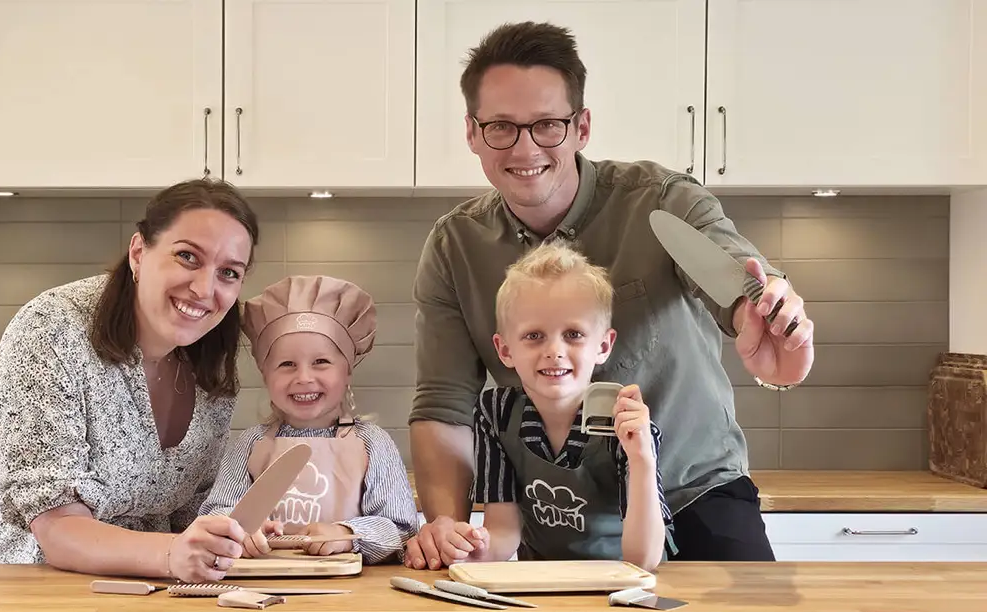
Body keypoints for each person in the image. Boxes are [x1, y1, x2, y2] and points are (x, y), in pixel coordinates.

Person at [405, 21, 816, 569]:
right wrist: (448, 528)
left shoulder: (663, 202)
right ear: (473, 133)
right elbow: (443, 406)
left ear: (581, 127)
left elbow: (737, 281)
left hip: (695, 492)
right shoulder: (454, 246)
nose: (525, 147)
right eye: (501, 126)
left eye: (548, 124)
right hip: (559, 518)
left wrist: (766, 315)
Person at [0, 178, 264, 584]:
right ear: (139, 252)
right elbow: (57, 528)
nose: (205, 288)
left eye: (229, 272)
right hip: (5, 580)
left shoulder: (212, 363)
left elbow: (187, 513)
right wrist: (173, 552)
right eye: (188, 257)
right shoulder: (53, 328)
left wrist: (225, 536)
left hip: (137, 585)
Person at [443, 240, 671, 572]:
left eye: (574, 334)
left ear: (603, 345)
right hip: (540, 584)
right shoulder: (495, 414)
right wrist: (473, 549)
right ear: (504, 350)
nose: (555, 350)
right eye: (534, 335)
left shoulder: (626, 425)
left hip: (620, 590)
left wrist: (642, 458)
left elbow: (643, 560)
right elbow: (504, 531)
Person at [199, 275, 418, 565]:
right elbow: (214, 513)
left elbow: (400, 528)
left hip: (350, 591)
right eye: (286, 364)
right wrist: (238, 529)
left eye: (321, 362)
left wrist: (346, 534)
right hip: (261, 584)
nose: (304, 378)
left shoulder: (372, 443)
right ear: (266, 375)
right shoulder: (251, 443)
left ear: (348, 371)